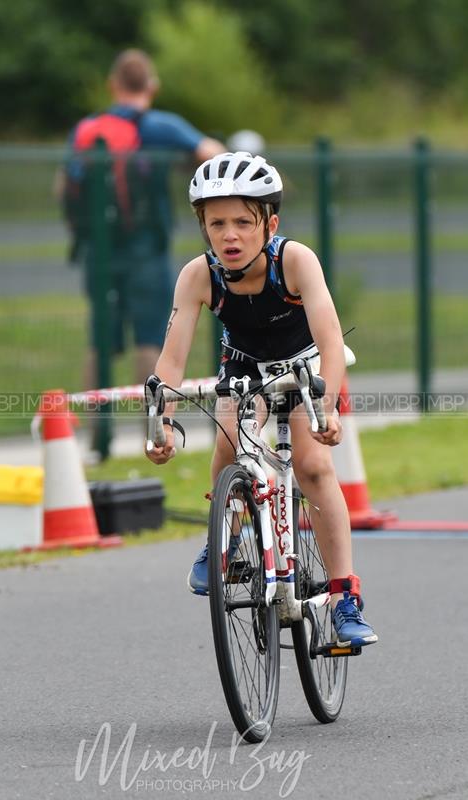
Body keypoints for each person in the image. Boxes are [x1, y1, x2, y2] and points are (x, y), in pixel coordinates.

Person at [145, 151, 378, 648]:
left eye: (243, 223)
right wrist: (161, 421)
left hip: (304, 365)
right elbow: (173, 357)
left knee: (314, 467)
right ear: (203, 228)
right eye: (217, 223)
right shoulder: (197, 275)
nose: (230, 235)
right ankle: (223, 544)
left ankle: (344, 598)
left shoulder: (294, 261)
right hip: (244, 366)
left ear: (269, 223)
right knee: (229, 447)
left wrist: (329, 406)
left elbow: (331, 338)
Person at [61, 48, 225, 390]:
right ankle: (151, 432)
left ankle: (96, 435)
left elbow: (65, 185)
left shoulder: (86, 129)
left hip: (98, 250)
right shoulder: (159, 126)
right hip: (147, 248)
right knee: (150, 339)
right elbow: (214, 155)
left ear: (112, 85)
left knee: (100, 342)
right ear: (152, 86)